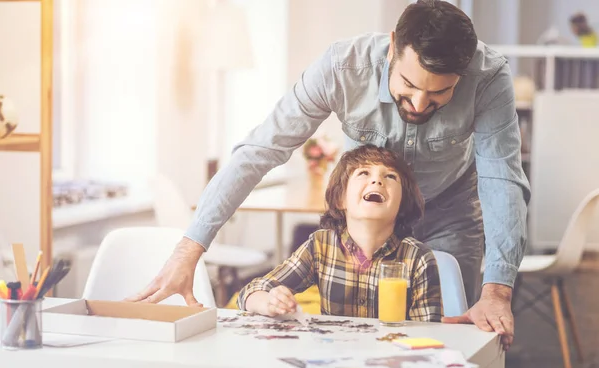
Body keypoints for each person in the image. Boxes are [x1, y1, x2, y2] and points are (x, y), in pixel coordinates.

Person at [128, 0, 530, 350]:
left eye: (439, 94)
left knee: (449, 340)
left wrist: (497, 290)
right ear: (393, 47)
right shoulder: (341, 68)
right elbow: (260, 150)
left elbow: (502, 181)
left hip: (449, 212)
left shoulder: (489, 78)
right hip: (362, 229)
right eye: (408, 85)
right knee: (358, 334)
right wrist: (188, 251)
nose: (420, 104)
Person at [237, 145, 442, 322]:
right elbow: (251, 291)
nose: (377, 181)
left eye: (390, 176)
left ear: (402, 204)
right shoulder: (320, 245)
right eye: (364, 173)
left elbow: (426, 335)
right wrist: (268, 302)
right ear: (339, 200)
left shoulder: (418, 259)